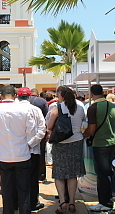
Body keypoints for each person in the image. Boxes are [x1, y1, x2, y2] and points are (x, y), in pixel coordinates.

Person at [0, 86, 41, 214]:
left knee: (6, 189)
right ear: (15, 96)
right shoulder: (24, 110)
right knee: (24, 189)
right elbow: (30, 130)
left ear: (1, 96)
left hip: (3, 155)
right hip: (22, 154)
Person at [46, 86, 86, 214]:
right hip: (76, 141)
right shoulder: (80, 107)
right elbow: (82, 123)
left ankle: (63, 201)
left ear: (62, 96)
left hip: (61, 142)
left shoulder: (57, 107)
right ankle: (72, 202)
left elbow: (49, 125)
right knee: (72, 174)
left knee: (59, 173)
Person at [83, 84, 115, 212]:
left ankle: (105, 202)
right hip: (112, 142)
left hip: (100, 143)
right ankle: (108, 200)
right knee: (108, 173)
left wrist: (83, 134)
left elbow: (91, 130)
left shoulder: (93, 108)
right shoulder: (112, 106)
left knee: (102, 175)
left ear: (92, 94)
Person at [18, 87, 46, 211]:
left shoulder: (13, 110)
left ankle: (17, 202)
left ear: (17, 97)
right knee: (33, 177)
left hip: (17, 149)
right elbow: (42, 129)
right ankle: (33, 202)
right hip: (33, 150)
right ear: (29, 97)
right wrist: (31, 143)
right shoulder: (36, 110)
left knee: (17, 177)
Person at [29, 88, 49, 182]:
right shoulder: (42, 101)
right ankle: (41, 175)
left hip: (27, 132)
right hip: (40, 131)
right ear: (37, 93)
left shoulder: (25, 100)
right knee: (40, 153)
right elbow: (47, 116)